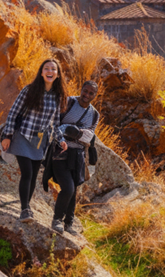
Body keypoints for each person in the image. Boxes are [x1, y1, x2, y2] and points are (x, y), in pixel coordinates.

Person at [0, 59, 68, 223]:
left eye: (53, 69)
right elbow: (13, 113)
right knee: (27, 173)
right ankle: (25, 210)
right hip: (22, 136)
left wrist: (61, 139)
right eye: (46, 68)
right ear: (41, 72)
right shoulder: (29, 90)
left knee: (33, 175)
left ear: (58, 75)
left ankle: (27, 207)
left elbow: (54, 123)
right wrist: (7, 135)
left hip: (39, 141)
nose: (50, 71)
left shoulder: (57, 97)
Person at [49, 81, 99, 234]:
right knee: (68, 188)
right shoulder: (68, 102)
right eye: (85, 91)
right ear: (81, 89)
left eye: (91, 93)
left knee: (74, 190)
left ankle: (69, 224)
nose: (86, 95)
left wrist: (74, 132)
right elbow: (54, 125)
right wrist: (70, 132)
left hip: (78, 155)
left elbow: (89, 136)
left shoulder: (94, 114)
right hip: (60, 151)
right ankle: (57, 220)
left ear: (95, 95)